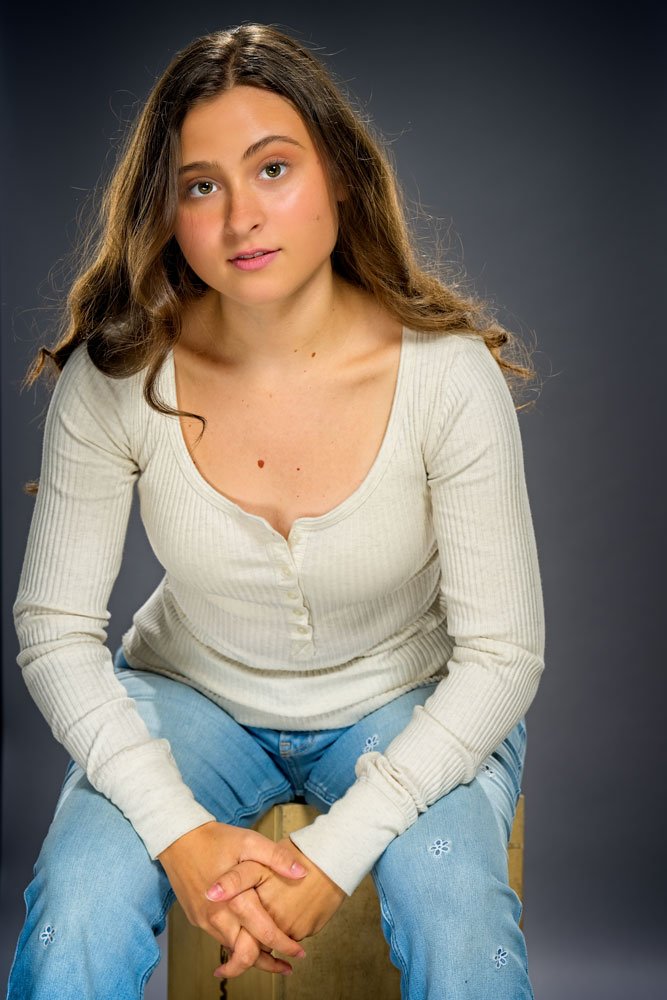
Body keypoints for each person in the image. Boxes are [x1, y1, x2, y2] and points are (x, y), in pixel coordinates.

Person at [6, 21, 545, 1000]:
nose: (241, 215)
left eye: (273, 169)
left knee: (456, 908)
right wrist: (175, 828)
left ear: (337, 174)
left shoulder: (445, 374)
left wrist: (336, 853)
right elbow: (53, 631)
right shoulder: (120, 374)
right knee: (78, 906)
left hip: (405, 695)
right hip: (193, 697)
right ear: (167, 212)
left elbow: (503, 657)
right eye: (201, 184)